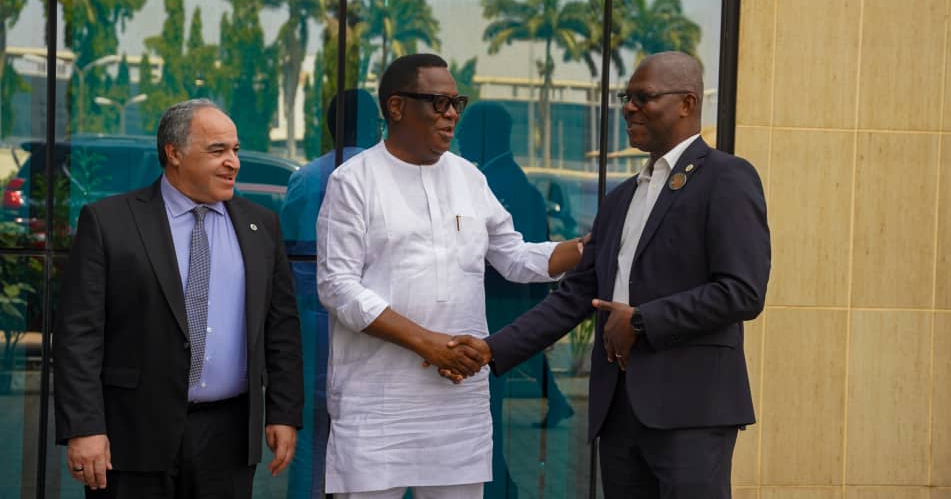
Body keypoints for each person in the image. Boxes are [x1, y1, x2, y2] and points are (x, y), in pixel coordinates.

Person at [448, 51, 771, 498]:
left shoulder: (726, 178)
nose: (629, 108)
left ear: (687, 104)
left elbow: (742, 291)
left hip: (692, 413)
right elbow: (574, 297)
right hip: (618, 415)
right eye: (626, 97)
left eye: (644, 97)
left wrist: (641, 320)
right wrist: (490, 349)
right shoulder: (621, 199)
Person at [315, 53, 584, 499]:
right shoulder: (353, 181)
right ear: (396, 107)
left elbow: (515, 257)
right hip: (378, 400)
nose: (453, 114)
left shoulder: (469, 178)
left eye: (457, 103)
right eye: (439, 103)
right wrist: (428, 344)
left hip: (456, 401)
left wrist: (585, 248)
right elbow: (337, 288)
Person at [54, 99, 304, 498]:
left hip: (227, 438)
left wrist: (284, 412)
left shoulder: (261, 225)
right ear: (174, 153)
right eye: (218, 150)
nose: (233, 163)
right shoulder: (109, 222)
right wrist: (84, 427)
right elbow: (78, 336)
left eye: (235, 150)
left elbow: (282, 329)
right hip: (131, 434)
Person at [456, 100, 574, 497]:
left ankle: (500, 489)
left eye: (465, 131)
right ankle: (502, 486)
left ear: (484, 136)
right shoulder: (504, 180)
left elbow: (520, 257)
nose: (458, 138)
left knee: (485, 415)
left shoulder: (498, 185)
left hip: (499, 314)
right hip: (505, 314)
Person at [279, 89, 381, 496]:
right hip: (379, 326)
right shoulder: (386, 178)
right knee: (376, 445)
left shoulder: (306, 178)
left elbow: (289, 253)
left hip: (314, 324)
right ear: (376, 126)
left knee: (311, 437)